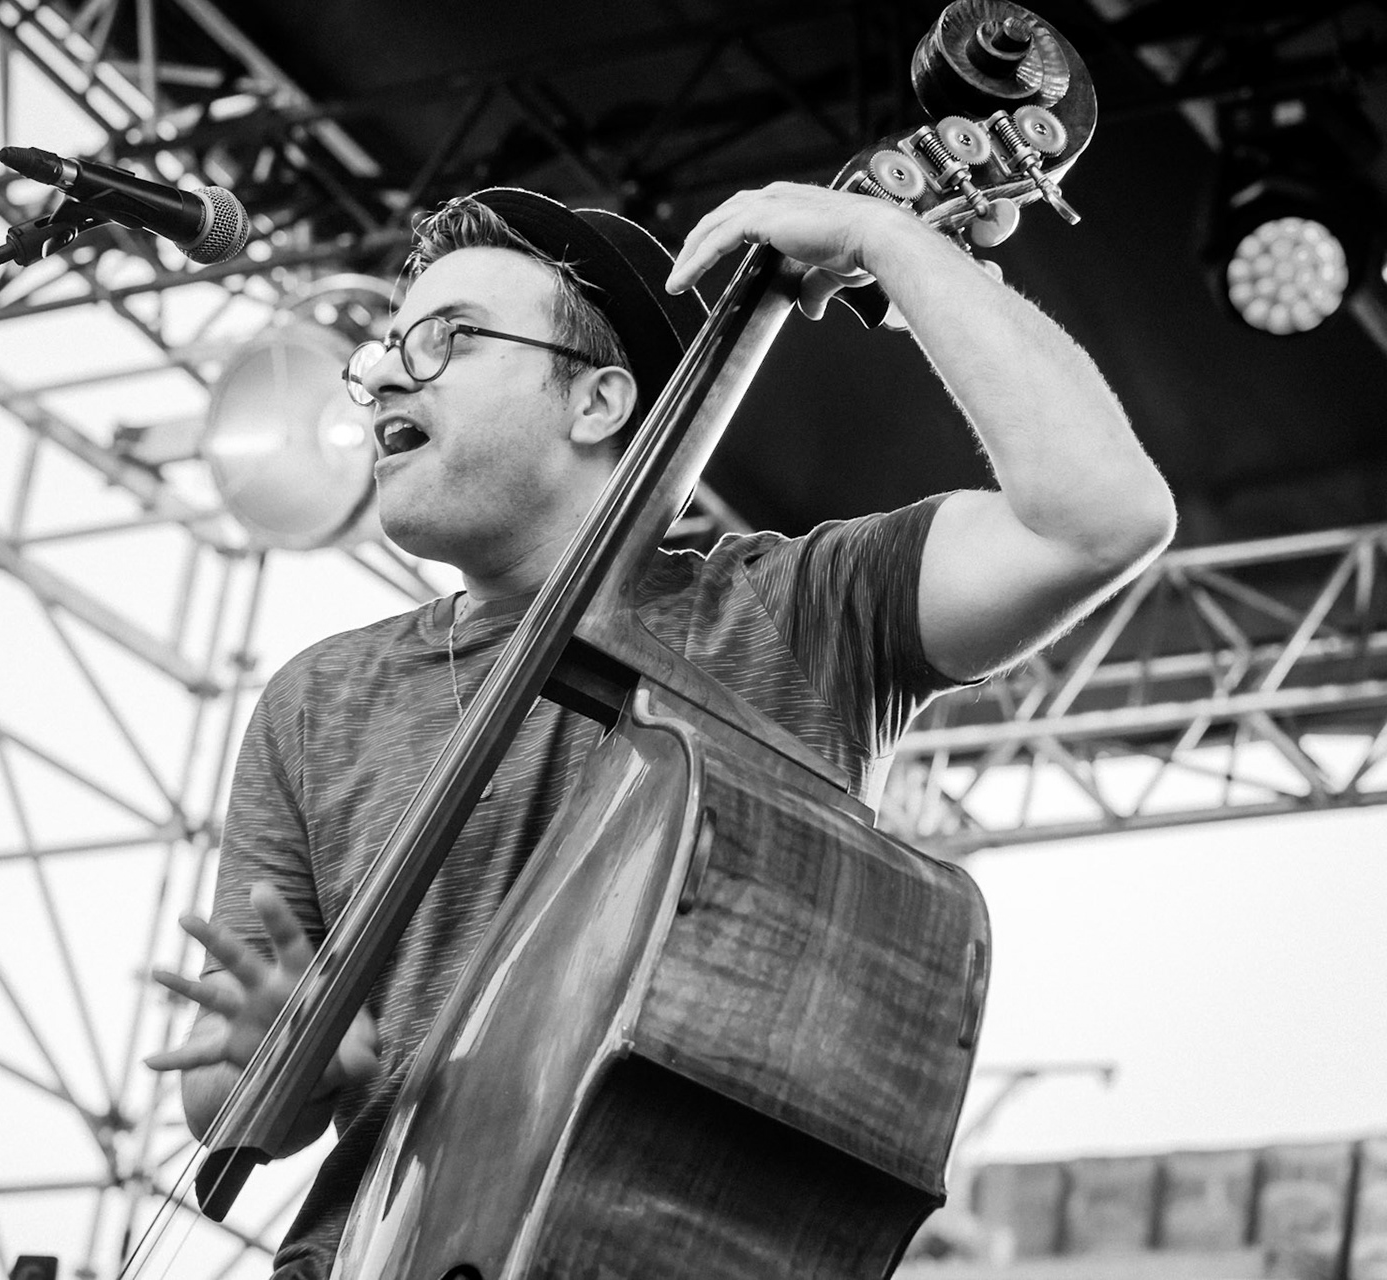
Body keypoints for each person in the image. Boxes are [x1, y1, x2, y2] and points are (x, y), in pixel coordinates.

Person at [145, 180, 1177, 1277]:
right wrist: (281, 1058)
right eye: (385, 349)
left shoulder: (798, 613)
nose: (389, 369)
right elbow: (221, 1101)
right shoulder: (318, 698)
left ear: (596, 403)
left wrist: (892, 238)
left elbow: (1102, 516)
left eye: (446, 338)